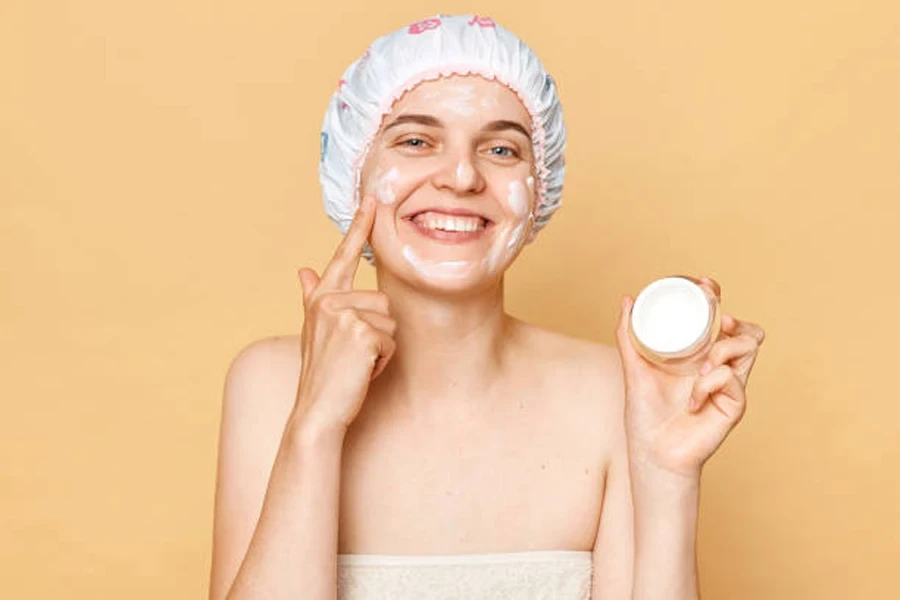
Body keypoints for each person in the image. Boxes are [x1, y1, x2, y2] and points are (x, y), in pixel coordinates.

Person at [208, 14, 765, 600]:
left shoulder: (613, 392)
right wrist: (315, 424)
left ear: (538, 185)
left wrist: (668, 477)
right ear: (353, 174)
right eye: (417, 141)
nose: (463, 175)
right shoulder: (271, 387)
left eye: (500, 149)